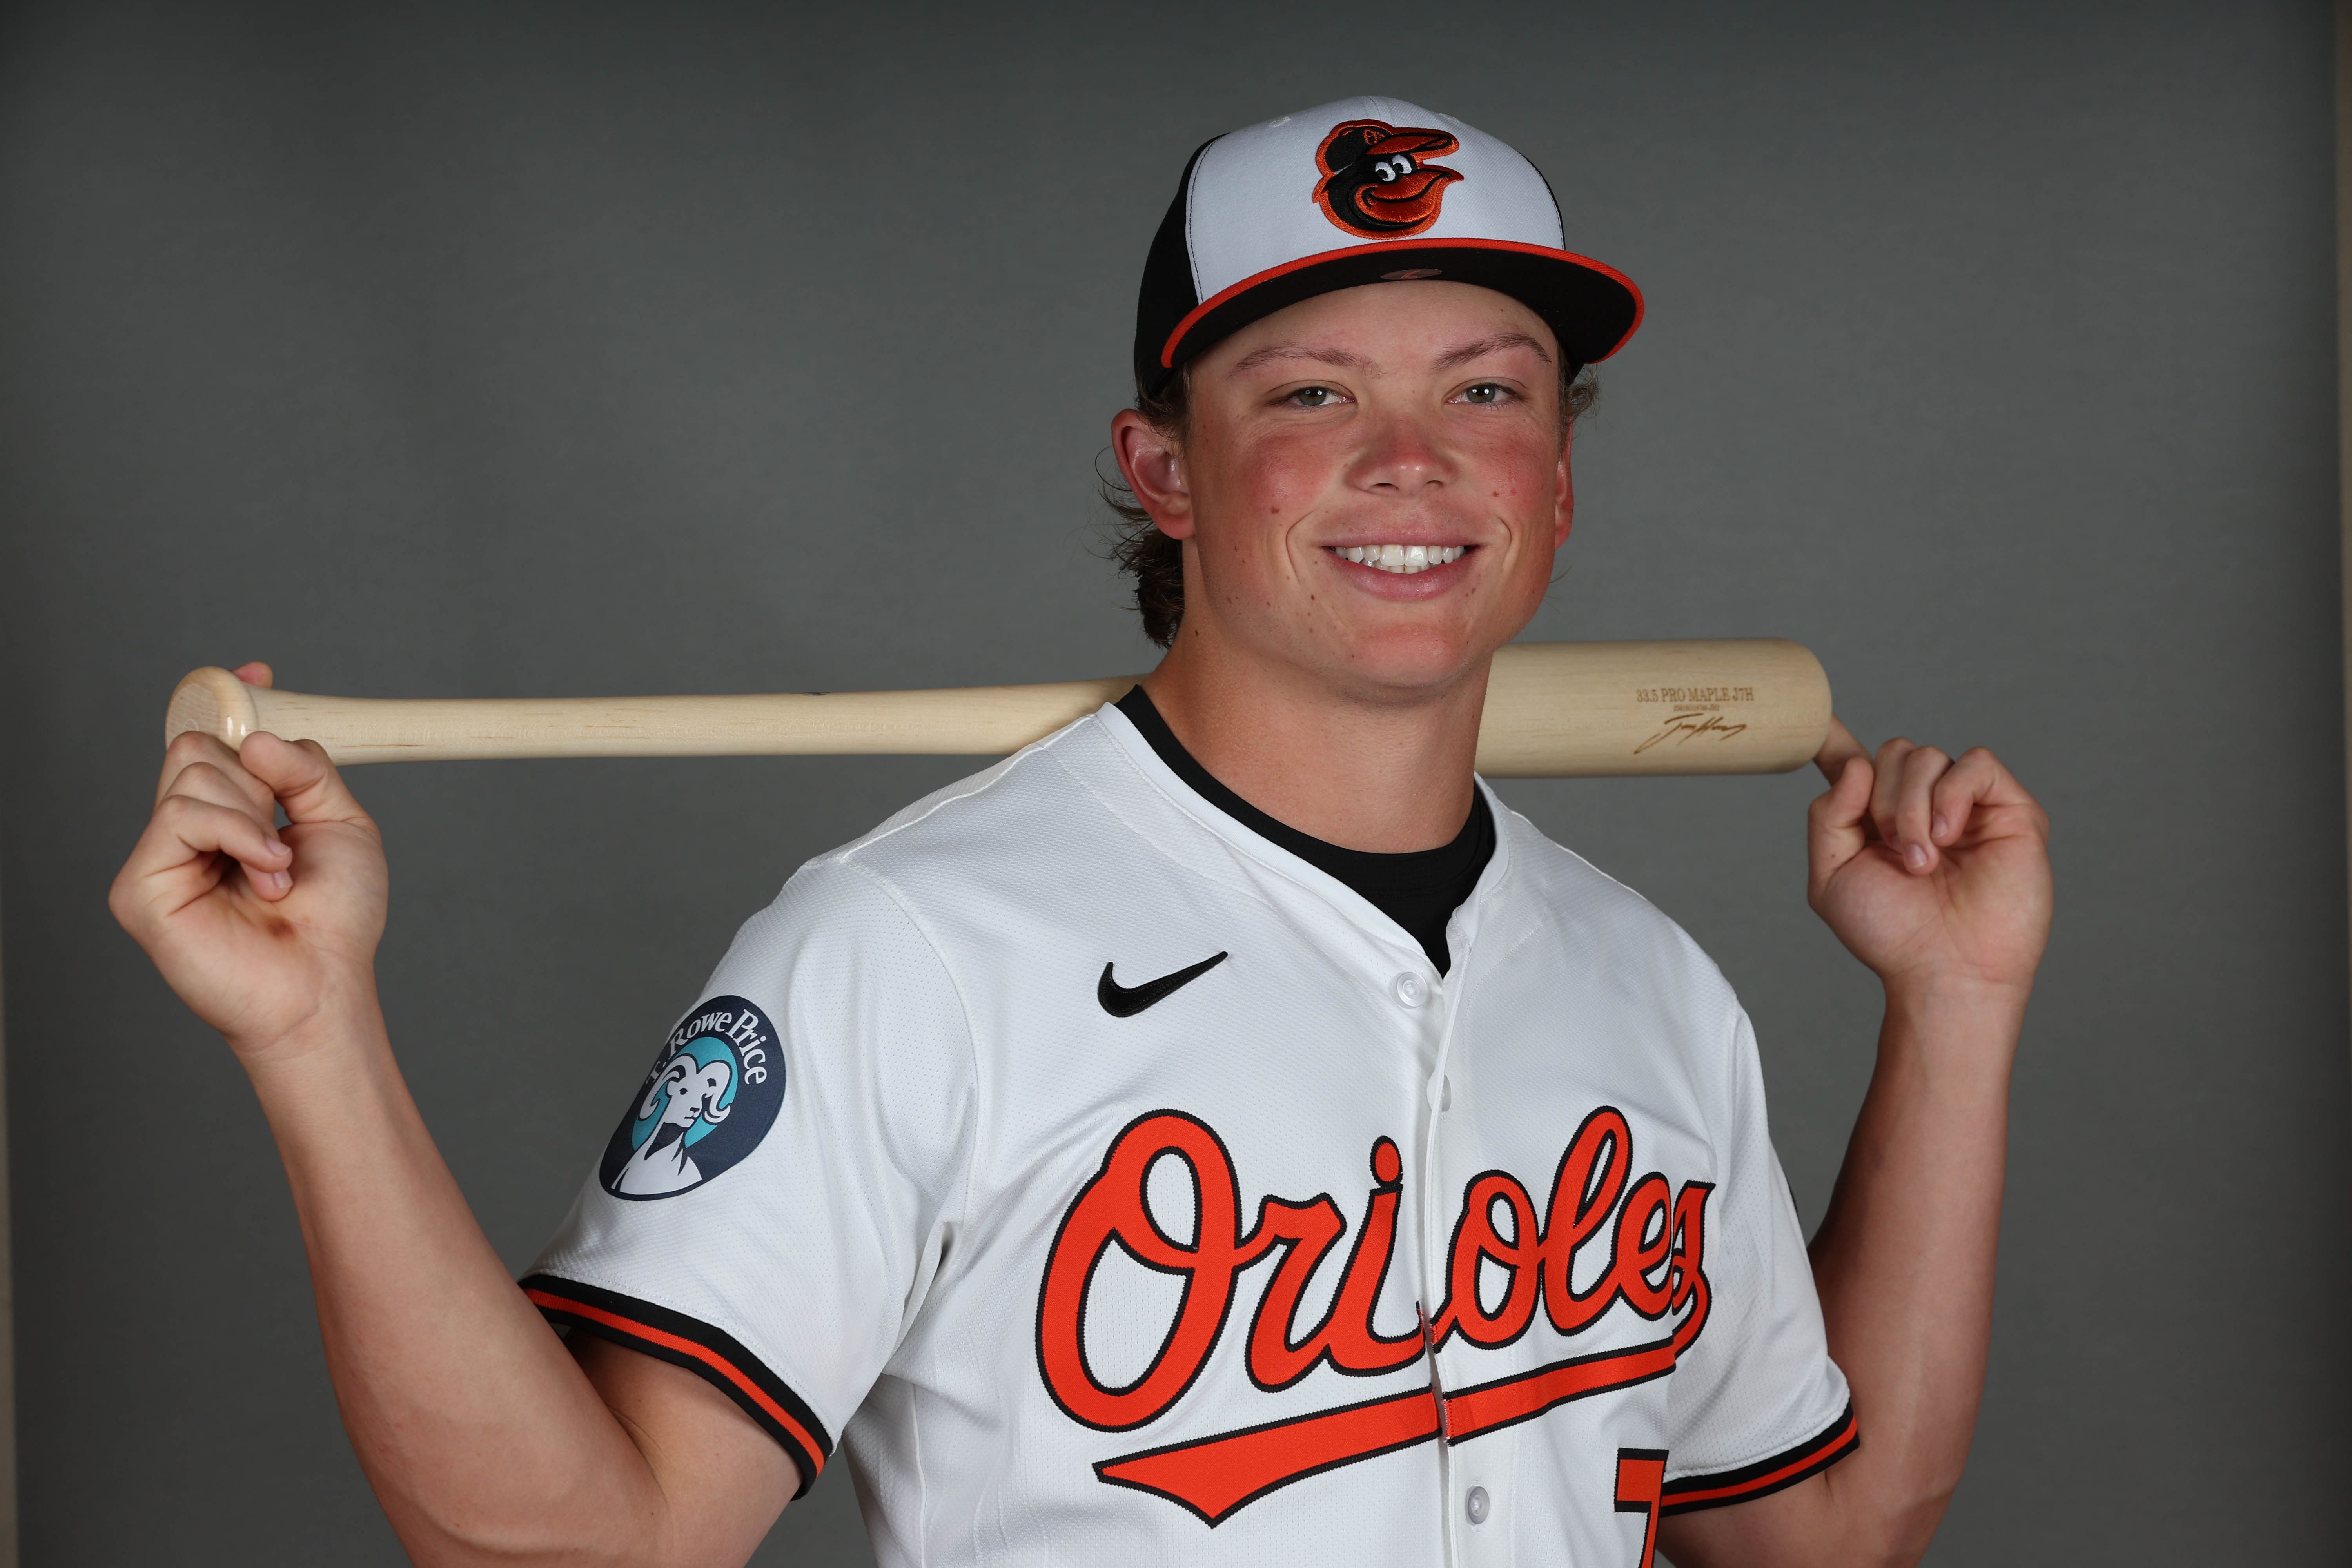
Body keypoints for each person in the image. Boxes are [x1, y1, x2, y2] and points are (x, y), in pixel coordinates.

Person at [109, 96, 2051, 1567]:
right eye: (1312, 389)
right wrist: (311, 1039)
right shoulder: (913, 947)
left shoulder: (1652, 981)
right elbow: (578, 1544)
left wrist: (1957, 1005)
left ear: (1555, 485)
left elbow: (1818, 1529)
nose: (1414, 460)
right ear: (1164, 469)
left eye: (1489, 388)